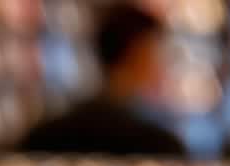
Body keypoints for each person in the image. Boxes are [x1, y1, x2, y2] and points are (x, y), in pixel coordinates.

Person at [22, 4, 185, 156]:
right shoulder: (159, 146)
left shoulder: (46, 135)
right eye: (159, 51)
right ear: (138, 51)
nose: (163, 62)